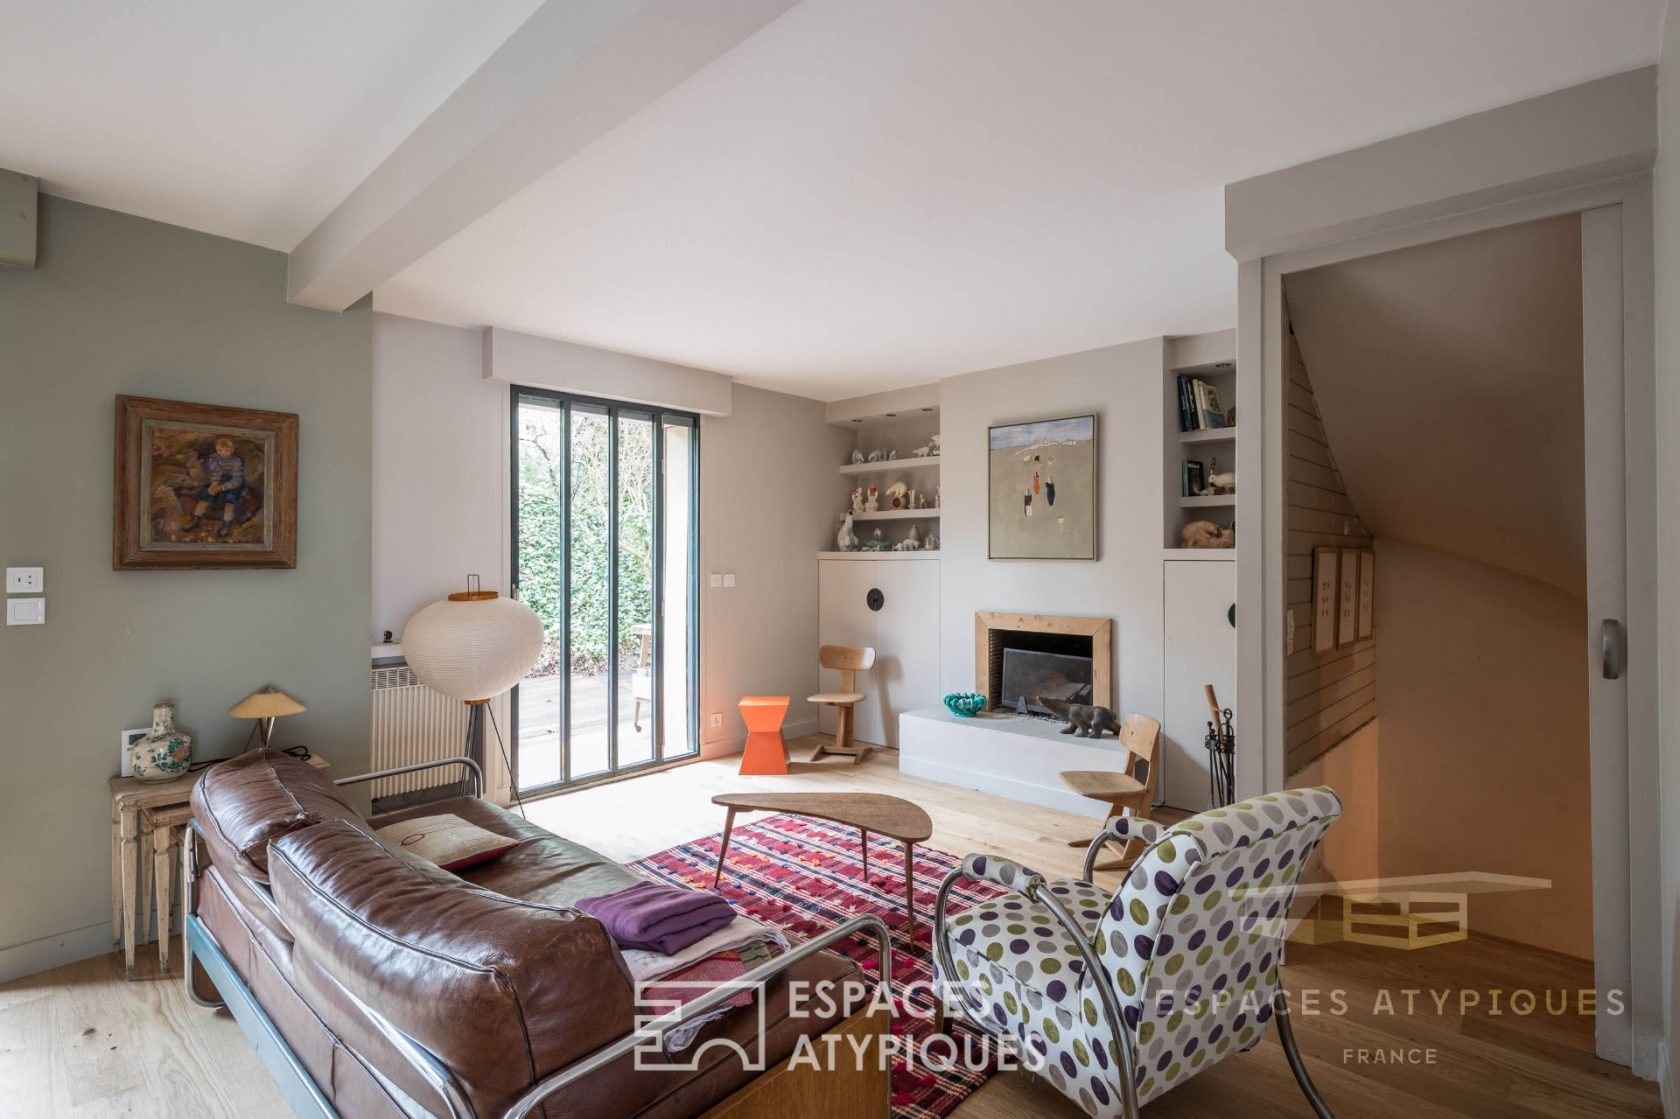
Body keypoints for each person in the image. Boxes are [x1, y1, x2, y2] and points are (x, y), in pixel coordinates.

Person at [181, 437, 244, 538]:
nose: (222, 453)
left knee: (230, 500)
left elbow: (237, 480)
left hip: (233, 482)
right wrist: (214, 485)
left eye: (226, 450)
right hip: (219, 480)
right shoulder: (214, 458)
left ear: (232, 450)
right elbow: (216, 473)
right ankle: (196, 519)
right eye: (219, 450)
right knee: (205, 495)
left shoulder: (237, 461)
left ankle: (226, 524)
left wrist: (221, 488)